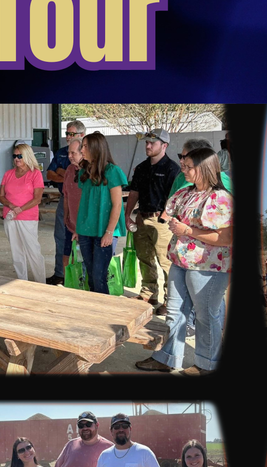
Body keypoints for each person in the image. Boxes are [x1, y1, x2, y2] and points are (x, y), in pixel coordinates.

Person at [134, 147, 232, 376]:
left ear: (205, 168)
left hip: (207, 266)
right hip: (181, 260)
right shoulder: (186, 192)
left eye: (189, 167)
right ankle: (169, 358)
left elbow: (227, 237)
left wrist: (188, 230)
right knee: (175, 312)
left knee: (206, 314)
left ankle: (207, 364)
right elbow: (169, 214)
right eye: (183, 166)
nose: (184, 170)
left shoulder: (220, 198)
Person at [123, 128, 180, 313]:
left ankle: (170, 300)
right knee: (144, 258)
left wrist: (165, 217)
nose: (147, 146)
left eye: (152, 143)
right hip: (141, 218)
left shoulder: (173, 169)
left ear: (164, 145)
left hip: (161, 221)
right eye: (146, 142)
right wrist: (127, 215)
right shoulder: (141, 168)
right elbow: (134, 193)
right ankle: (149, 293)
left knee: (165, 261)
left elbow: (175, 197)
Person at [76, 132, 126, 294]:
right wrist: (78, 229)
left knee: (99, 276)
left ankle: (106, 312)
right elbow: (85, 203)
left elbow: (117, 205)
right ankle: (94, 310)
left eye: (84, 146)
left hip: (105, 231)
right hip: (86, 230)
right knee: (90, 275)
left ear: (96, 148)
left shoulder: (112, 171)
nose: (81, 150)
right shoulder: (83, 172)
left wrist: (109, 232)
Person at [0, 142, 46, 281]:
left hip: (27, 217)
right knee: (16, 251)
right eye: (14, 156)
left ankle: (41, 281)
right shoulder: (8, 174)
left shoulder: (35, 174)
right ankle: (21, 280)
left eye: (20, 156)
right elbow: (1, 196)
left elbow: (37, 199)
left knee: (33, 250)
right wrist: (11, 206)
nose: (17, 159)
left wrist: (19, 209)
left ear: (27, 156)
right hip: (10, 216)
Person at [45, 120, 85, 284]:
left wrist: (61, 173)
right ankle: (60, 273)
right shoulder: (62, 152)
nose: (67, 136)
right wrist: (64, 174)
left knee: (82, 240)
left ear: (82, 135)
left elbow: (77, 177)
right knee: (60, 236)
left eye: (71, 134)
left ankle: (81, 276)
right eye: (67, 133)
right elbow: (49, 175)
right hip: (64, 199)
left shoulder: (87, 153)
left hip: (82, 201)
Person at [57, 139, 84, 282]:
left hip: (85, 224)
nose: (70, 156)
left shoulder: (89, 172)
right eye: (69, 153)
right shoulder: (69, 170)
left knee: (83, 258)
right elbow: (66, 196)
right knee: (66, 253)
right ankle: (69, 282)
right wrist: (66, 216)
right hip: (71, 223)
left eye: (73, 153)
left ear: (83, 153)